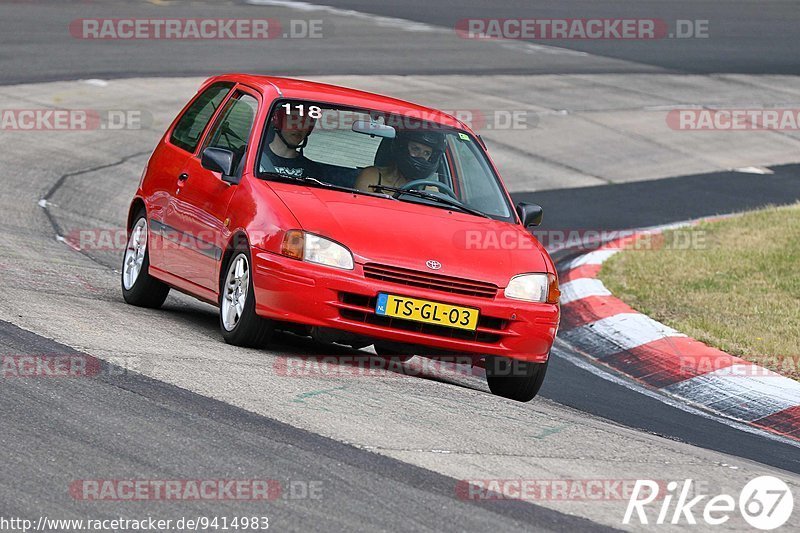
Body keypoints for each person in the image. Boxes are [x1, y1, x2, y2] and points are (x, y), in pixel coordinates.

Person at [354, 129, 445, 192]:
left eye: (426, 153)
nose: (420, 156)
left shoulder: (429, 189)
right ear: (403, 148)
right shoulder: (372, 176)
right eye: (415, 149)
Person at [260, 106, 322, 178]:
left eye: (305, 122)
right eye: (294, 120)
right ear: (278, 122)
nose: (299, 127)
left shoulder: (312, 170)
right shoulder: (255, 159)